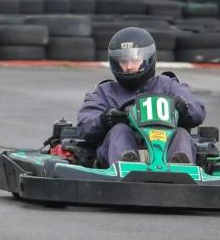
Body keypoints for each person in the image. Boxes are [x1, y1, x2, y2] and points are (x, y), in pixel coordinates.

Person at [77, 27, 205, 168]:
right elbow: (85, 125)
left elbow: (198, 111)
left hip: (166, 150)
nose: (129, 66)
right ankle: (126, 163)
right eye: (123, 61)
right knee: (120, 129)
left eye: (134, 60)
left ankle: (180, 168)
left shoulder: (168, 85)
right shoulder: (105, 91)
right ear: (115, 62)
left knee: (181, 133)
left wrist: (184, 108)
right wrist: (104, 119)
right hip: (116, 158)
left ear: (148, 59)